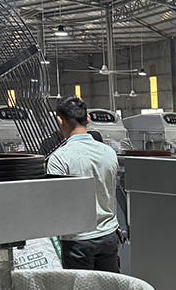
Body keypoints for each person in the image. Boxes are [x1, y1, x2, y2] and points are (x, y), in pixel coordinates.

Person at [46, 97, 121, 272]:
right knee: (108, 287)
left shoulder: (59, 158)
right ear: (88, 118)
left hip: (77, 241)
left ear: (60, 121)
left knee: (81, 289)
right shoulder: (109, 152)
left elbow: (55, 204)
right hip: (109, 235)